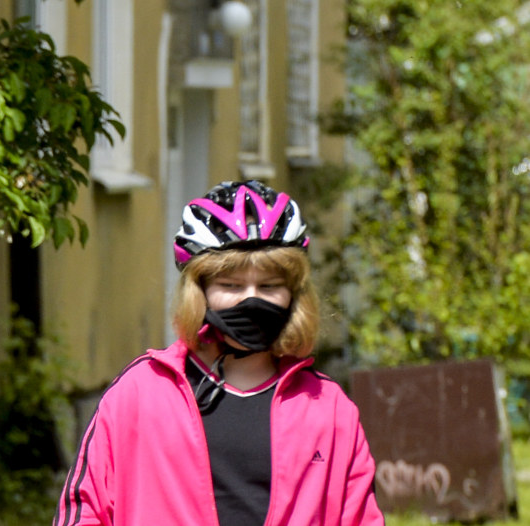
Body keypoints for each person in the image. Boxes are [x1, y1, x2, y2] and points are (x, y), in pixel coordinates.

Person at [53, 180, 384, 526]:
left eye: (269, 286)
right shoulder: (140, 392)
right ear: (199, 291)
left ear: (293, 294)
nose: (251, 300)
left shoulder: (327, 408)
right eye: (231, 286)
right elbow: (85, 509)